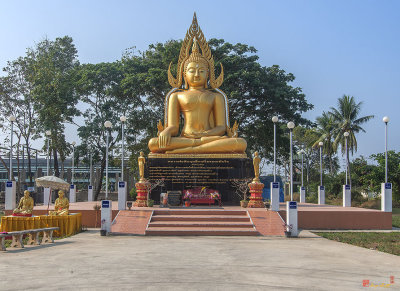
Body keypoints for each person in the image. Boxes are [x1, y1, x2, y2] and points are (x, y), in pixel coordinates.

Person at [148, 14, 246, 154]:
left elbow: (221, 127)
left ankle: (189, 149)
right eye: (192, 70)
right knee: (153, 143)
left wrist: (204, 135)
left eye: (201, 71)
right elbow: (174, 127)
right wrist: (167, 131)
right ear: (184, 74)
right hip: (186, 138)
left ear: (208, 74)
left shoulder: (216, 96)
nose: (196, 74)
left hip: (209, 137)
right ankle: (194, 146)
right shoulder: (176, 96)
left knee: (239, 143)